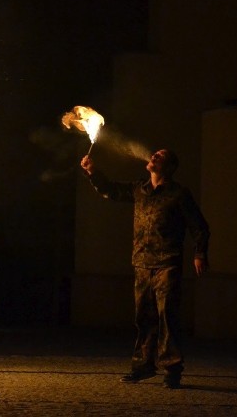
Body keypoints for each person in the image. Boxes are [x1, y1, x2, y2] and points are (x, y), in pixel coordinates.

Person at [80, 149, 210, 390]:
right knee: (143, 318)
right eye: (155, 153)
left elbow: (199, 226)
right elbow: (111, 190)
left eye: (161, 156)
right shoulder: (139, 189)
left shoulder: (179, 194)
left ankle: (172, 370)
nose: (154, 156)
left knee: (167, 316)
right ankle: (143, 367)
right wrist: (92, 172)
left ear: (170, 167)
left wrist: (199, 254)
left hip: (167, 263)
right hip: (141, 262)